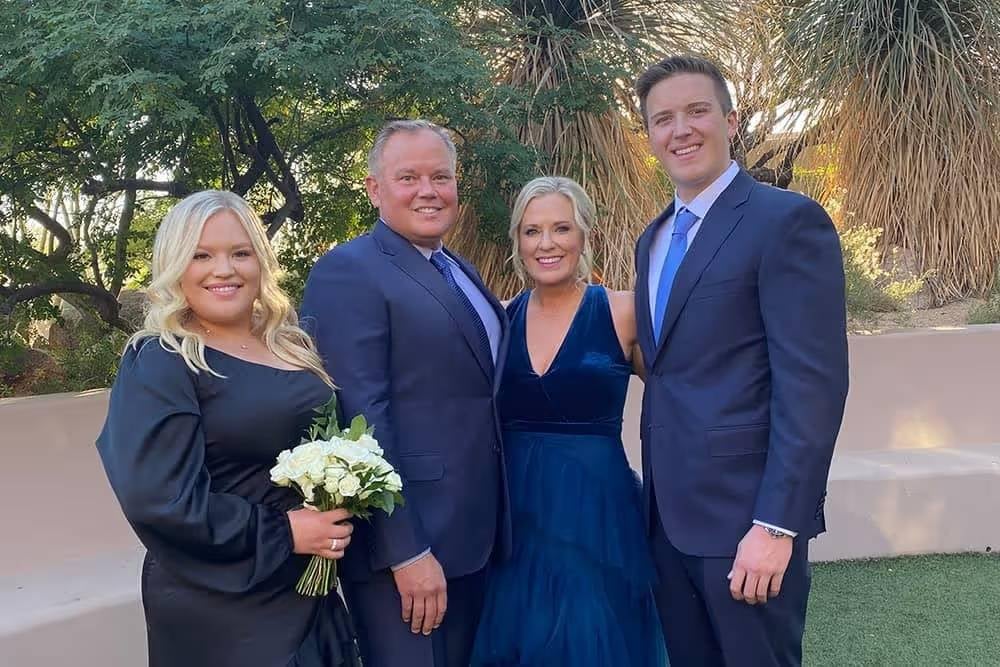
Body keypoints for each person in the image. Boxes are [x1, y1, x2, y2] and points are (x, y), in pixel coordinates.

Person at [632, 55, 850, 666]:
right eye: (663, 119)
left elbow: (813, 387)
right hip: (669, 529)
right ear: (649, 136)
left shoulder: (787, 222)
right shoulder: (650, 240)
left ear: (730, 121)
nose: (681, 130)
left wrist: (778, 526)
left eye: (697, 111)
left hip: (746, 526)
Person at [96, 190, 361, 667]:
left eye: (240, 253)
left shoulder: (291, 345)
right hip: (222, 603)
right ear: (175, 264)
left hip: (307, 588)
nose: (225, 269)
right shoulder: (162, 359)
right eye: (202, 255)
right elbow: (159, 499)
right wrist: (284, 532)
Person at [299, 119, 510, 667]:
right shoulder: (347, 272)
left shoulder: (458, 269)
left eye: (441, 176)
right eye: (408, 176)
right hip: (409, 550)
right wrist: (405, 550)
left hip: (475, 539)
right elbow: (359, 418)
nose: (428, 190)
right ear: (374, 189)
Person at [471, 176, 666, 667]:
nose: (547, 243)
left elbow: (682, 403)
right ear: (517, 241)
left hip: (599, 515)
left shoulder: (623, 311)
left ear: (584, 235)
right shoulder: (500, 319)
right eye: (532, 231)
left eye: (561, 227)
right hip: (518, 518)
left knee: (594, 639)